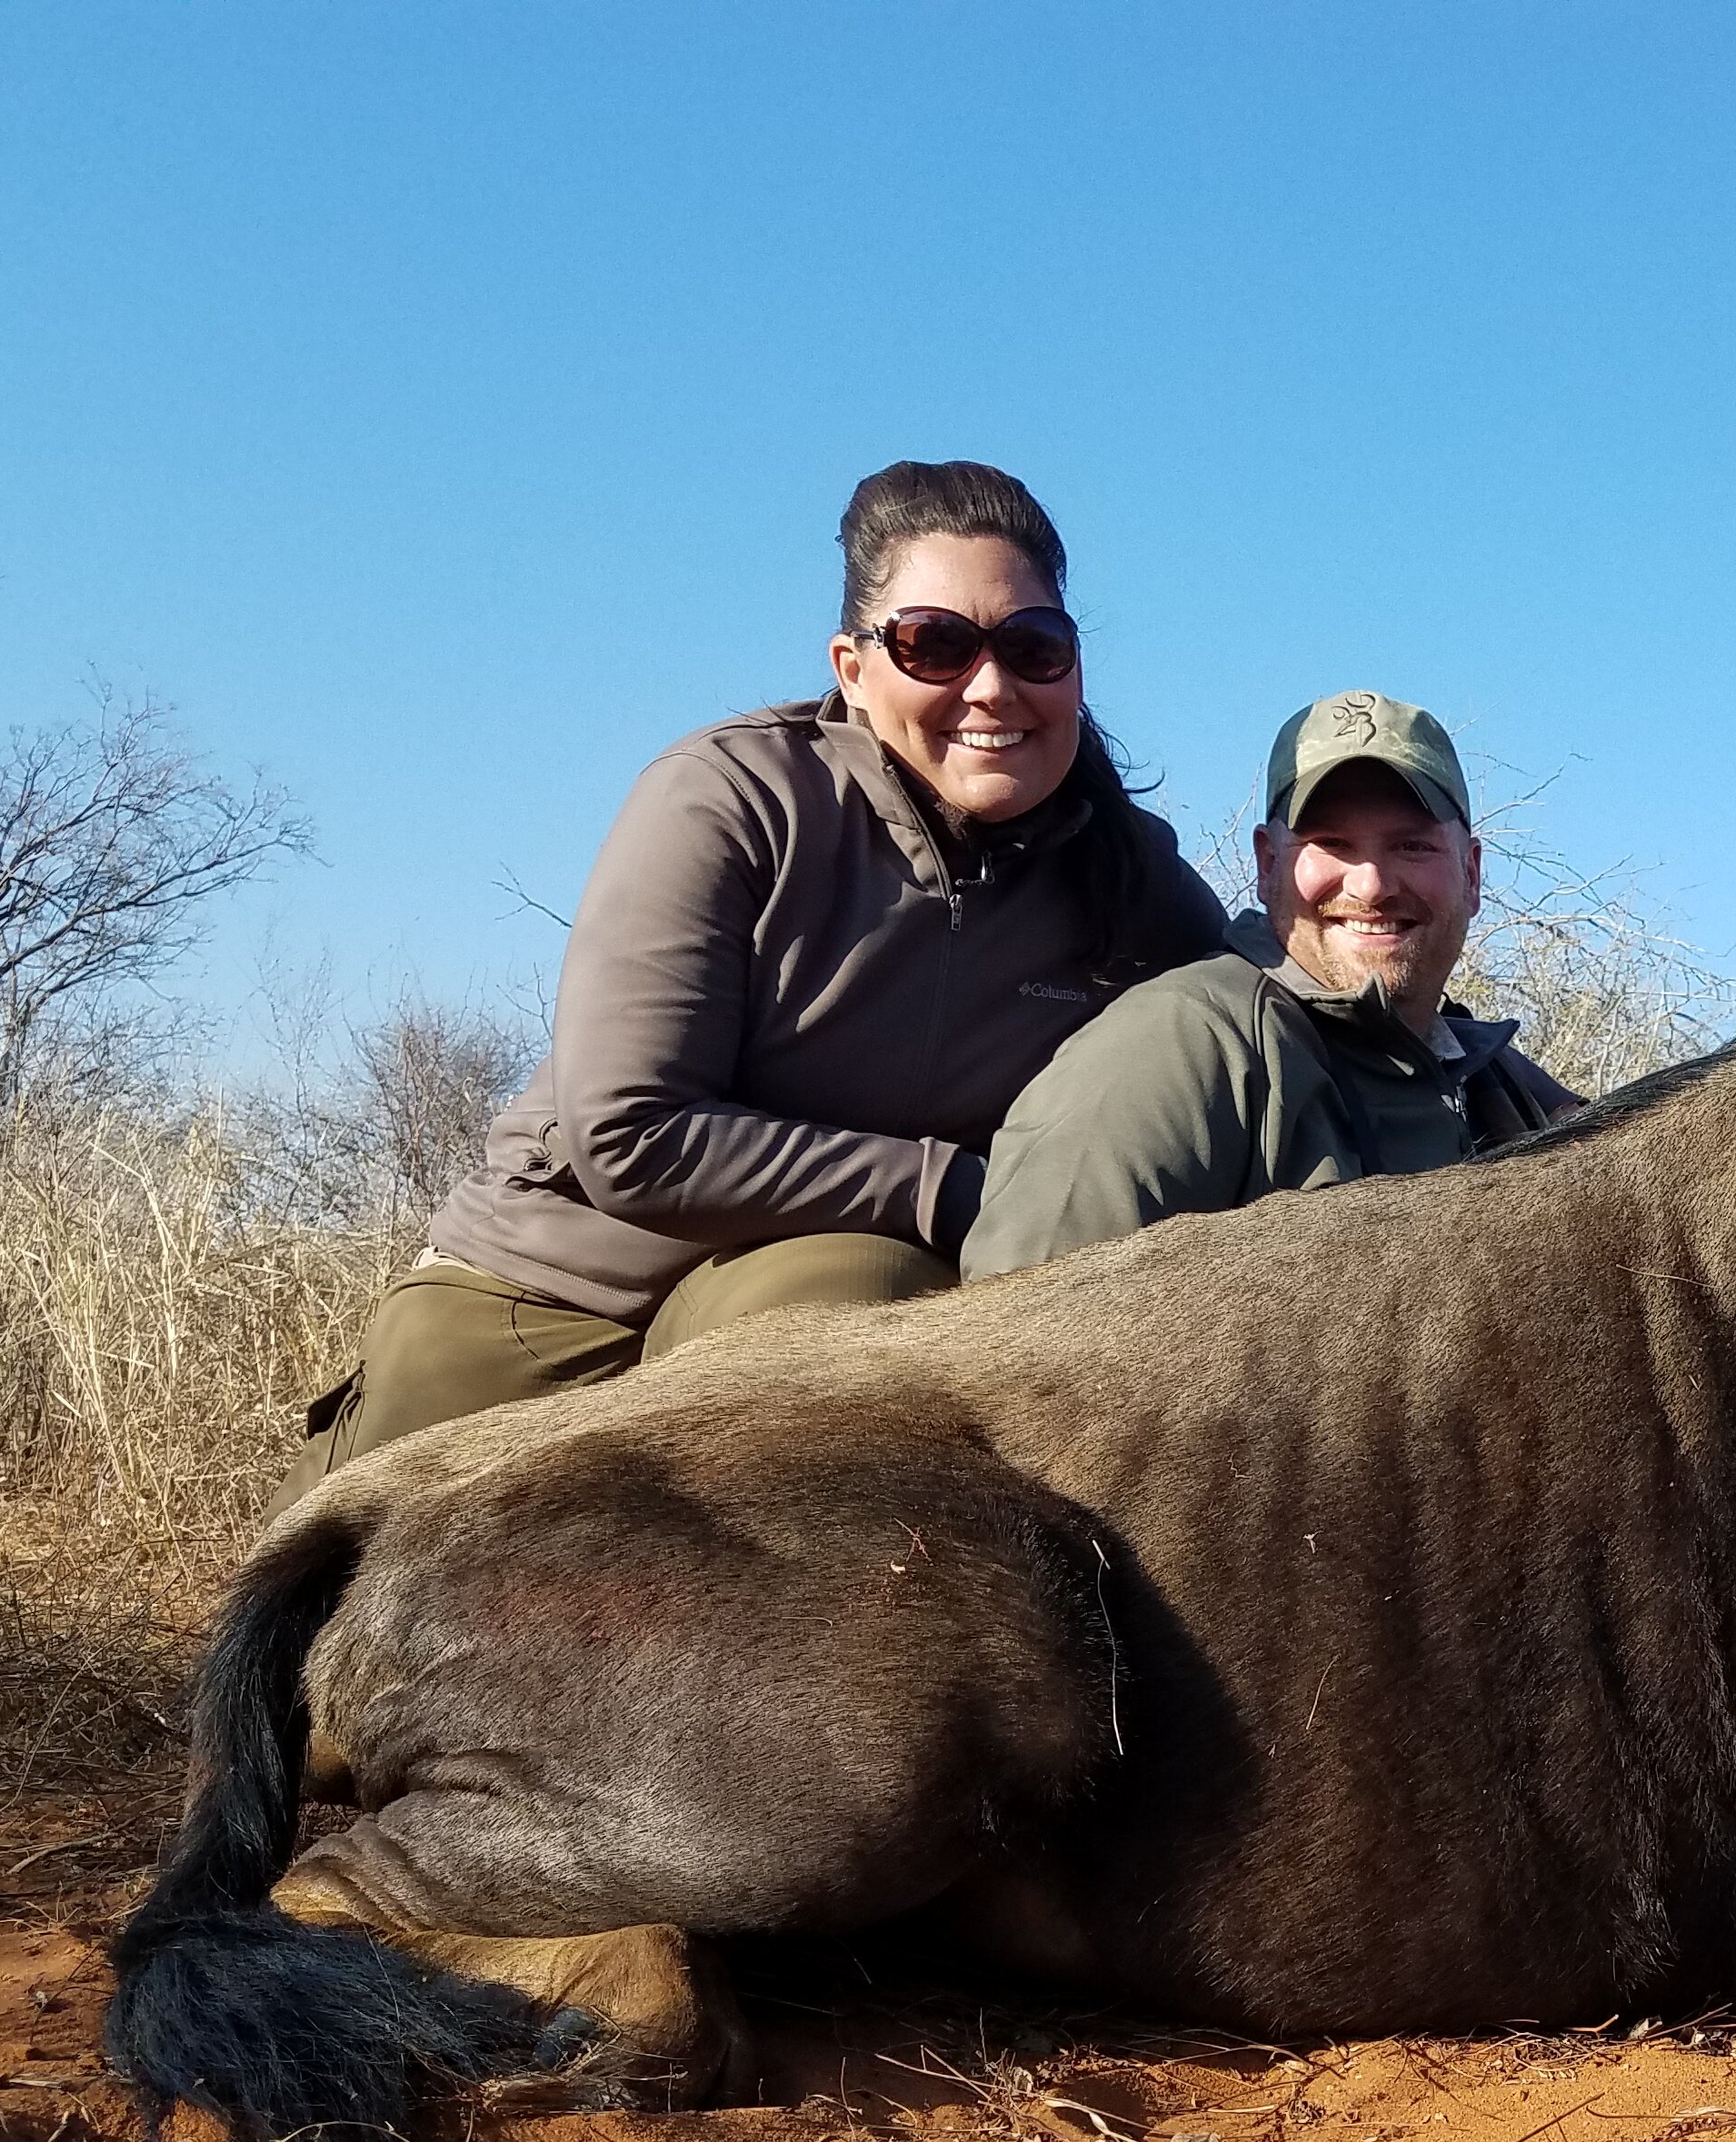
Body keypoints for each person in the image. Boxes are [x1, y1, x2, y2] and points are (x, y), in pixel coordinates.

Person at [282, 462, 1226, 1494]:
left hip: (820, 1293)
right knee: (332, 1605)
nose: (992, 687)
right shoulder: (729, 797)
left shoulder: (1129, 876)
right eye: (935, 644)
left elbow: (1261, 1028)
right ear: (853, 666)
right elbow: (629, 1137)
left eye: (1034, 648)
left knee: (859, 1307)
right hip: (564, 1287)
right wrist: (953, 1190)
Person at [960, 690, 1577, 1277]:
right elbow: (1021, 1334)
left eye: (1412, 846)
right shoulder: (1183, 1042)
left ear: (1470, 873)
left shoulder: (1497, 1090)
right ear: (1267, 864)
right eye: (1330, 844)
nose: (1371, 885)